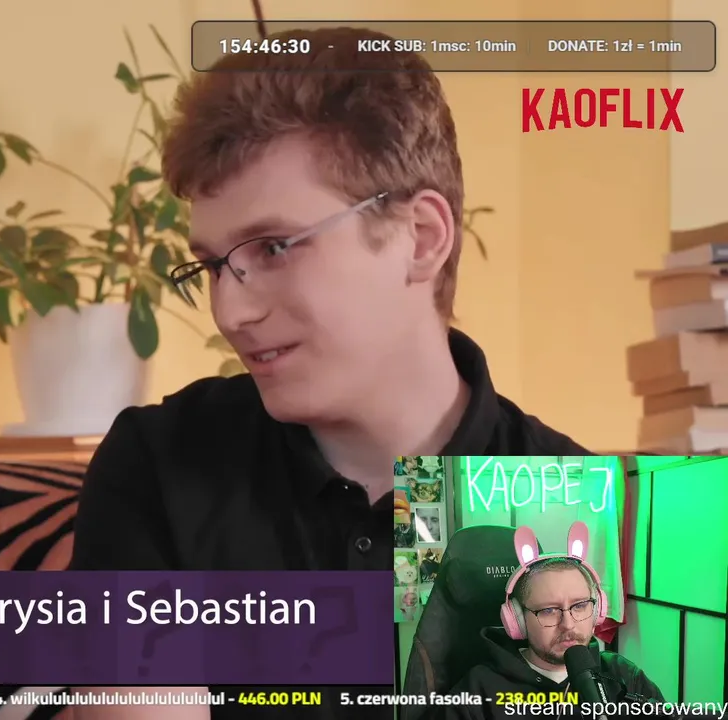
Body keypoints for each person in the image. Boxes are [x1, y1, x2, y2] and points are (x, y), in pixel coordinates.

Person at [70, 25, 589, 720]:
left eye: (274, 247)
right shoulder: (158, 466)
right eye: (213, 266)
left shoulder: (577, 504)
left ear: (420, 238)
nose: (230, 312)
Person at [440, 557, 664, 719]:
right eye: (548, 610)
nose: (568, 624)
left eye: (580, 606)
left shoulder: (623, 675)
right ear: (517, 620)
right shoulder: (478, 691)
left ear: (598, 611)